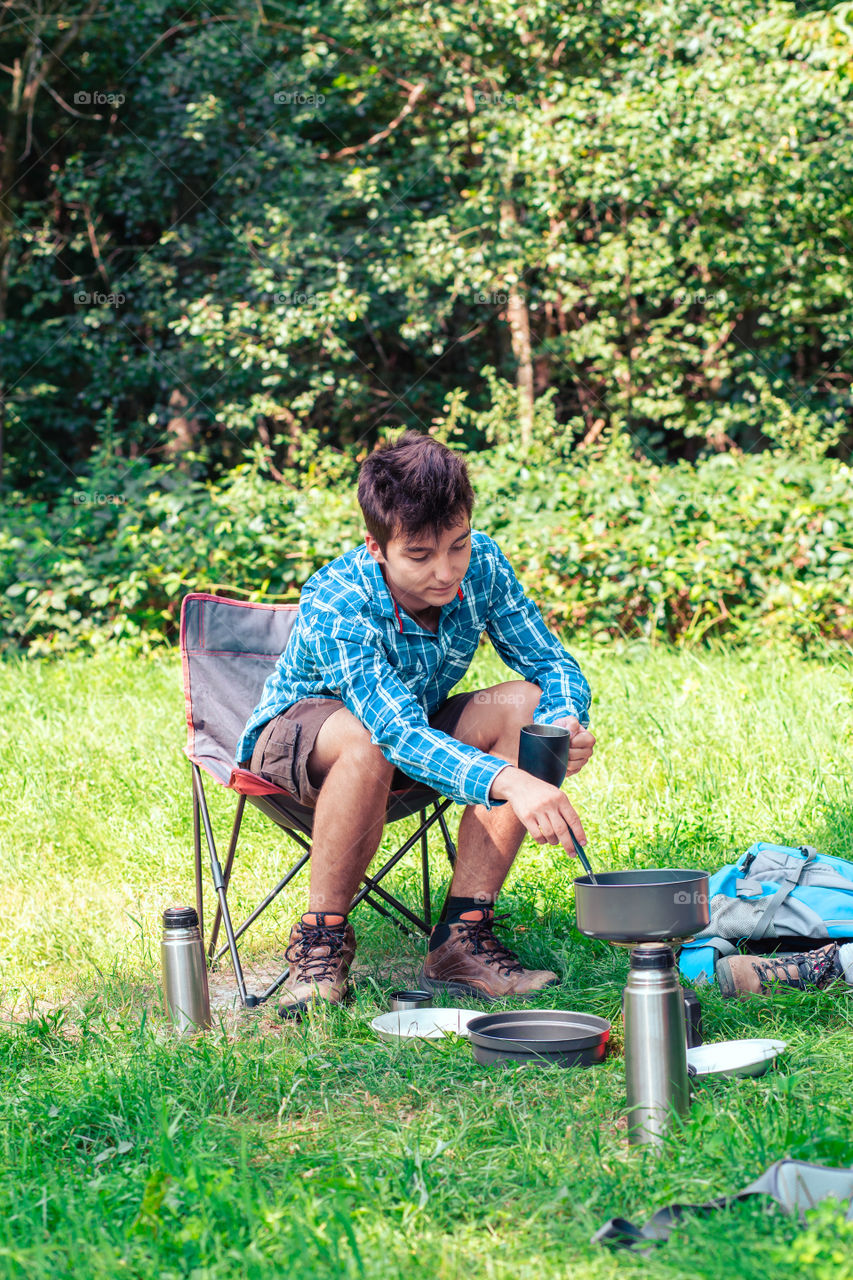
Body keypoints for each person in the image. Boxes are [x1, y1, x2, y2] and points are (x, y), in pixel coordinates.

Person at [235, 430, 595, 1015]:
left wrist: (560, 727)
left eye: (458, 546)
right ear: (378, 549)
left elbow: (550, 662)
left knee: (524, 703)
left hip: (415, 730)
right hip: (302, 743)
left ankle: (462, 939)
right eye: (420, 556)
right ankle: (321, 940)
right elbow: (393, 731)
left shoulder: (483, 566)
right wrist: (512, 781)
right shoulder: (337, 597)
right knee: (365, 738)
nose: (446, 572)